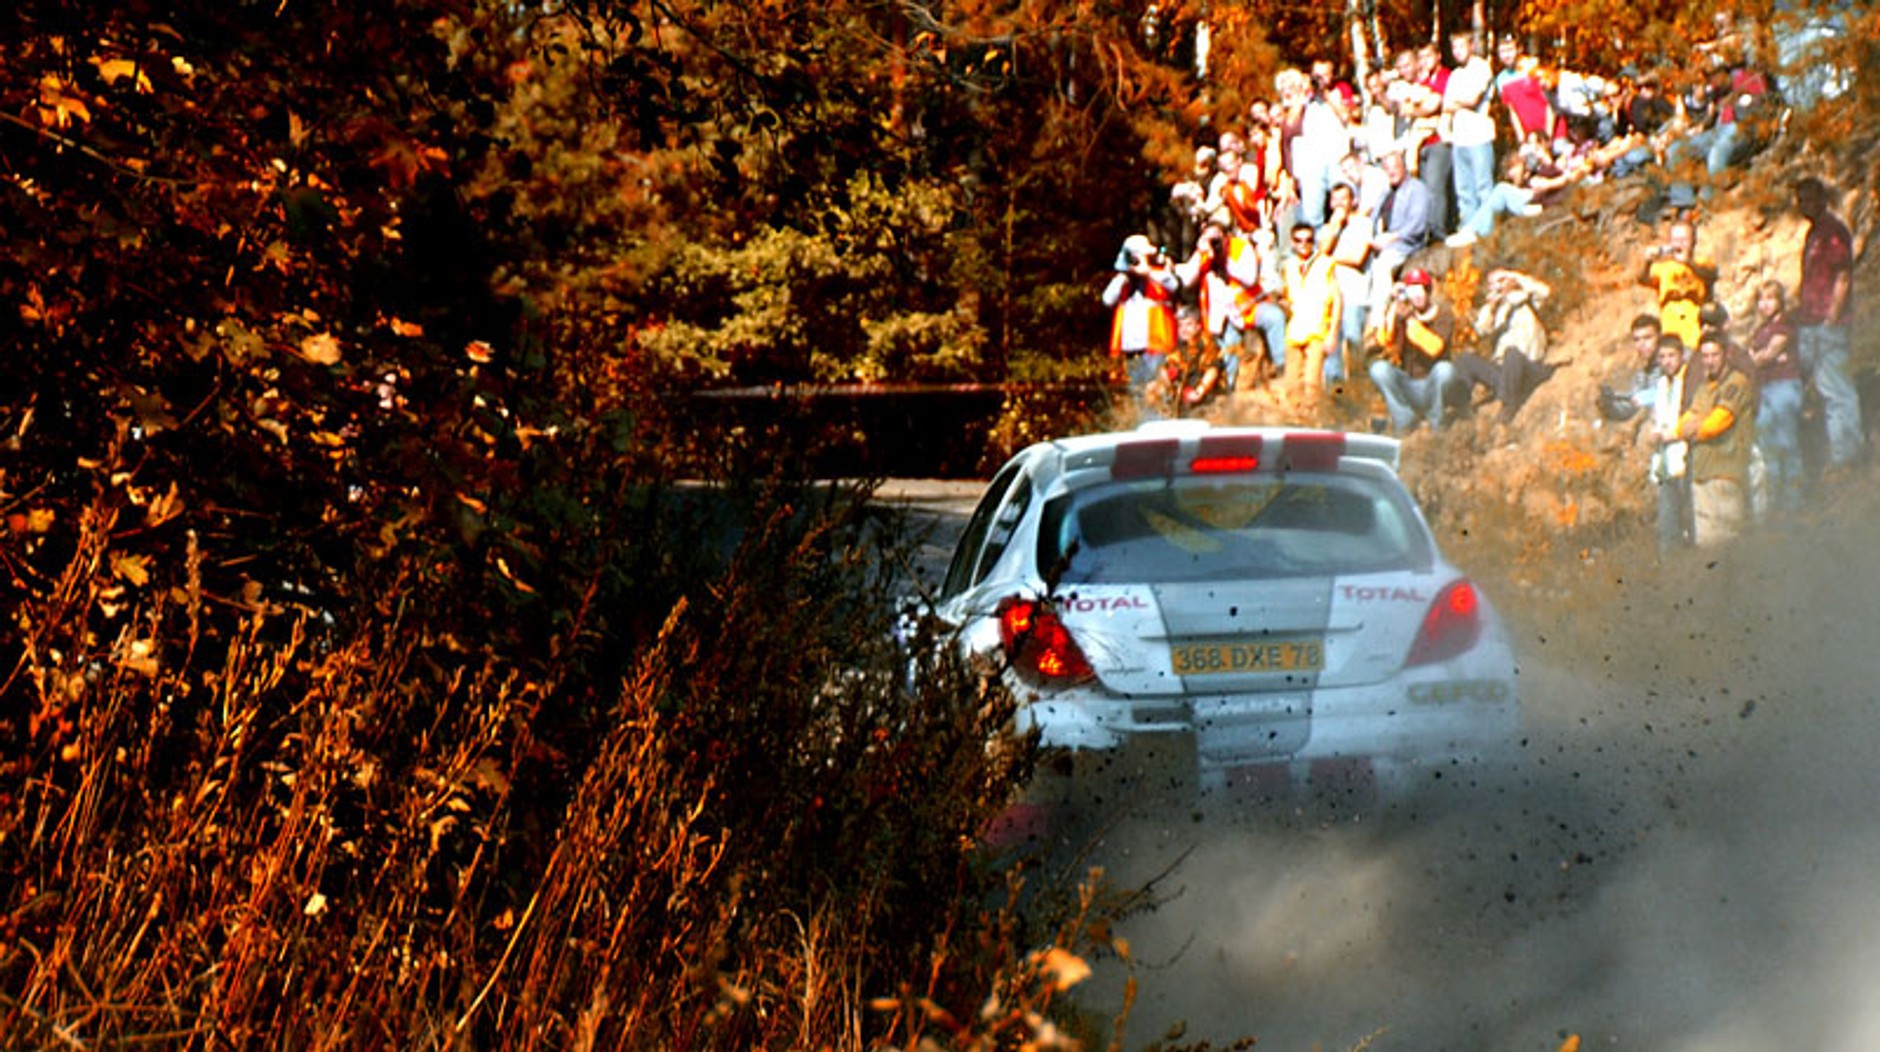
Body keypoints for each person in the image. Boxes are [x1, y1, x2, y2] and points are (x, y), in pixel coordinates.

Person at [1793, 176, 1864, 473]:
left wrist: (1833, 318)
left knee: (1837, 390)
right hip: (1809, 322)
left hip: (1827, 323)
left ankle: (1847, 458)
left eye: (1810, 198)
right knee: (1814, 390)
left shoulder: (1833, 232)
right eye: (1800, 200)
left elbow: (1843, 277)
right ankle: (1823, 456)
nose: (1804, 205)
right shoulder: (1813, 233)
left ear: (1822, 199)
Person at [1176, 220, 1286, 392]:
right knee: (1228, 352)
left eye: (1216, 240)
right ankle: (1229, 389)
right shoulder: (1204, 254)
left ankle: (1281, 367)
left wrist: (1224, 259)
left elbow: (1249, 278)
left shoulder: (1241, 248)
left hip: (1248, 307)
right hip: (1221, 315)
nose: (1212, 244)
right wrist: (1199, 253)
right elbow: (1187, 280)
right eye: (1208, 239)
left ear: (1226, 237)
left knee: (1274, 317)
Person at [1672, 328, 1757, 546]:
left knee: (1730, 544)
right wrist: (1695, 425)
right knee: (1707, 549)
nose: (1709, 362)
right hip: (1701, 476)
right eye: (1705, 356)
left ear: (1726, 354)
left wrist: (1697, 426)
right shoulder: (1703, 389)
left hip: (1726, 474)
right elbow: (1682, 426)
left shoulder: (1736, 383)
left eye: (1714, 355)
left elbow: (1716, 423)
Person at [1454, 269, 1556, 423]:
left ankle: (1509, 406)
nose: (1498, 286)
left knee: (1512, 353)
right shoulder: (1496, 310)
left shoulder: (1526, 299)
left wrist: (1516, 277)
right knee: (1465, 360)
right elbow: (1481, 329)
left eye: (1501, 281)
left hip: (1528, 366)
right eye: (1493, 283)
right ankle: (1462, 408)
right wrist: (1491, 305)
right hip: (1503, 370)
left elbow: (1545, 292)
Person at [1367, 267, 1461, 432]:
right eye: (1412, 291)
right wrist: (1391, 306)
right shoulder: (1402, 314)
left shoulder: (1443, 314)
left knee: (1445, 370)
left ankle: (1436, 422)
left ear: (1428, 291)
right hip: (1409, 384)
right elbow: (1385, 341)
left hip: (1434, 383)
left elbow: (1434, 348)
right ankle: (1404, 420)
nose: (1417, 296)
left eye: (1421, 290)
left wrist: (1411, 321)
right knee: (1379, 369)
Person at [1747, 279, 1804, 515]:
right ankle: (1773, 504)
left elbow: (1767, 355)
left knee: (1788, 442)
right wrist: (1759, 356)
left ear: (1780, 300)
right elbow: (1756, 354)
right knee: (1767, 445)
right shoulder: (1760, 330)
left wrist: (1757, 356)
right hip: (1764, 389)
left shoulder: (1786, 324)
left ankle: (1794, 501)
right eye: (1761, 299)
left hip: (1784, 385)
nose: (1765, 304)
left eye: (1770, 298)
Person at [1102, 234, 1180, 404]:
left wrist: (1147, 272)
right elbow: (1107, 299)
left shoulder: (1159, 275)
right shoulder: (1123, 281)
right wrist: (1124, 275)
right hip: (1132, 350)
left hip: (1156, 348)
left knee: (1158, 396)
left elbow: (1173, 285)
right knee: (1137, 396)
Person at [1364, 148, 1432, 321]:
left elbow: (1417, 225)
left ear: (1404, 167)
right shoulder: (1386, 193)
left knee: (1382, 266)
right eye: (1387, 168)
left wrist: (1391, 238)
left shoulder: (1417, 189)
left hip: (1406, 244)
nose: (1391, 171)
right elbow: (1372, 218)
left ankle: (1377, 320)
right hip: (1382, 243)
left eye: (1395, 167)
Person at [1279, 221, 1340, 408]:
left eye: (1308, 240)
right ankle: (1293, 418)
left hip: (1318, 330)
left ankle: (1312, 420)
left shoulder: (1326, 264)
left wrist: (1333, 334)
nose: (1304, 244)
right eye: (1299, 240)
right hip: (1295, 330)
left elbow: (1338, 301)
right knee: (1291, 383)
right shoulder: (1289, 266)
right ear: (1292, 242)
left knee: (1312, 383)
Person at [1647, 333, 1695, 553]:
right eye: (1662, 357)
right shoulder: (1660, 384)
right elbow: (1657, 417)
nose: (1667, 361)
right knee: (1667, 525)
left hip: (1684, 458)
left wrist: (1673, 434)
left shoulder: (1689, 381)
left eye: (1671, 356)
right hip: (1664, 463)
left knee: (1690, 519)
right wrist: (1654, 433)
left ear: (1681, 356)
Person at [1637, 219, 1715, 350]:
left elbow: (1710, 274)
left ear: (1693, 242)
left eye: (1684, 240)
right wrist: (1647, 261)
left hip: (1693, 318)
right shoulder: (1663, 267)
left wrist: (1688, 262)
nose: (1680, 244)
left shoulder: (1701, 262)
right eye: (1676, 240)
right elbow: (1642, 279)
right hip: (1670, 319)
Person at [1445, 33, 1497, 229]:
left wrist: (1456, 102)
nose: (1457, 51)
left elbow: (1473, 98)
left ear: (1471, 45)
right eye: (1454, 48)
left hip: (1479, 136)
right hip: (1459, 138)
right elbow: (1446, 105)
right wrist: (1458, 102)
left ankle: (1489, 230)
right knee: (1464, 190)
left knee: (1483, 187)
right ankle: (1469, 228)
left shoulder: (1481, 67)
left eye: (1461, 46)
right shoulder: (1455, 75)